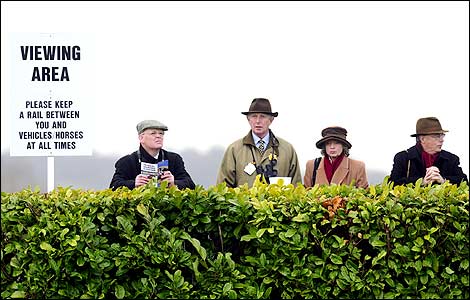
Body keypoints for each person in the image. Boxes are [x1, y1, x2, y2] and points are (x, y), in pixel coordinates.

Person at [216, 98, 302, 187]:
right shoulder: (234, 149)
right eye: (254, 116)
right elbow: (223, 187)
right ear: (248, 119)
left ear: (271, 120)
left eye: (262, 116)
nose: (258, 121)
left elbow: (296, 187)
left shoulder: (287, 149)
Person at [110, 120, 195, 190]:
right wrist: (134, 184)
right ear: (141, 138)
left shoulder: (174, 159)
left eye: (161, 133)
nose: (158, 136)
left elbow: (191, 185)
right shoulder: (127, 161)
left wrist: (174, 183)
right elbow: (113, 186)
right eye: (153, 133)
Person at [389, 117, 468, 186]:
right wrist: (422, 181)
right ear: (422, 139)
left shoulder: (451, 159)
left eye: (442, 135)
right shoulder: (403, 158)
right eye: (437, 136)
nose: (442, 140)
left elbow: (464, 182)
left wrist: (443, 180)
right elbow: (392, 183)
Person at [304, 126, 368, 188]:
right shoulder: (311, 165)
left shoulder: (358, 167)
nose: (332, 147)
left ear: (343, 146)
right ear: (324, 146)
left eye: (336, 143)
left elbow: (364, 195)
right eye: (328, 143)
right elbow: (305, 193)